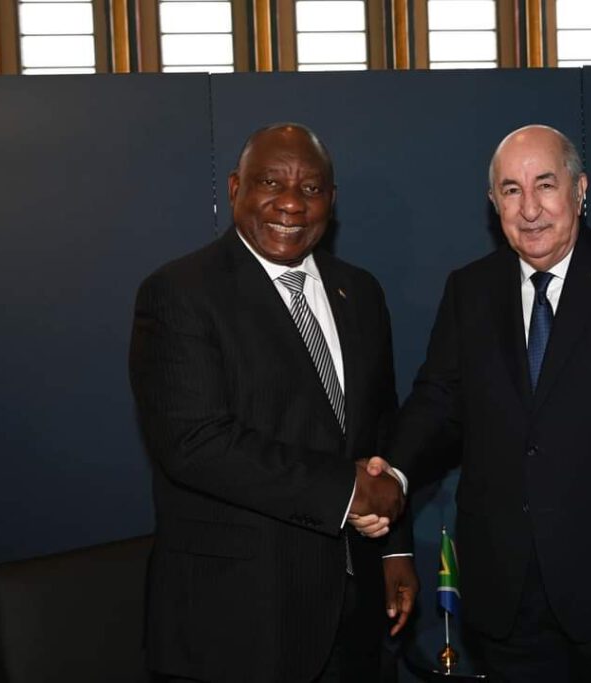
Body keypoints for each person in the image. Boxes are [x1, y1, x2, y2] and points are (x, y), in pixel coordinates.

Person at [355, 124, 591, 682]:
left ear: (580, 189)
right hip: (506, 601)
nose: (529, 209)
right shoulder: (470, 290)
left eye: (546, 185)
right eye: (511, 190)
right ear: (493, 202)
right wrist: (394, 474)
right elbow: (438, 401)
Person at [129, 123, 418, 683]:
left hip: (354, 613)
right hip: (238, 623)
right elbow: (195, 444)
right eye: (270, 183)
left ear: (332, 201)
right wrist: (347, 490)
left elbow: (378, 430)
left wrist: (392, 548)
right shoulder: (180, 292)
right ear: (235, 187)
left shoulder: (360, 291)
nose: (290, 203)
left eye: (311, 189)